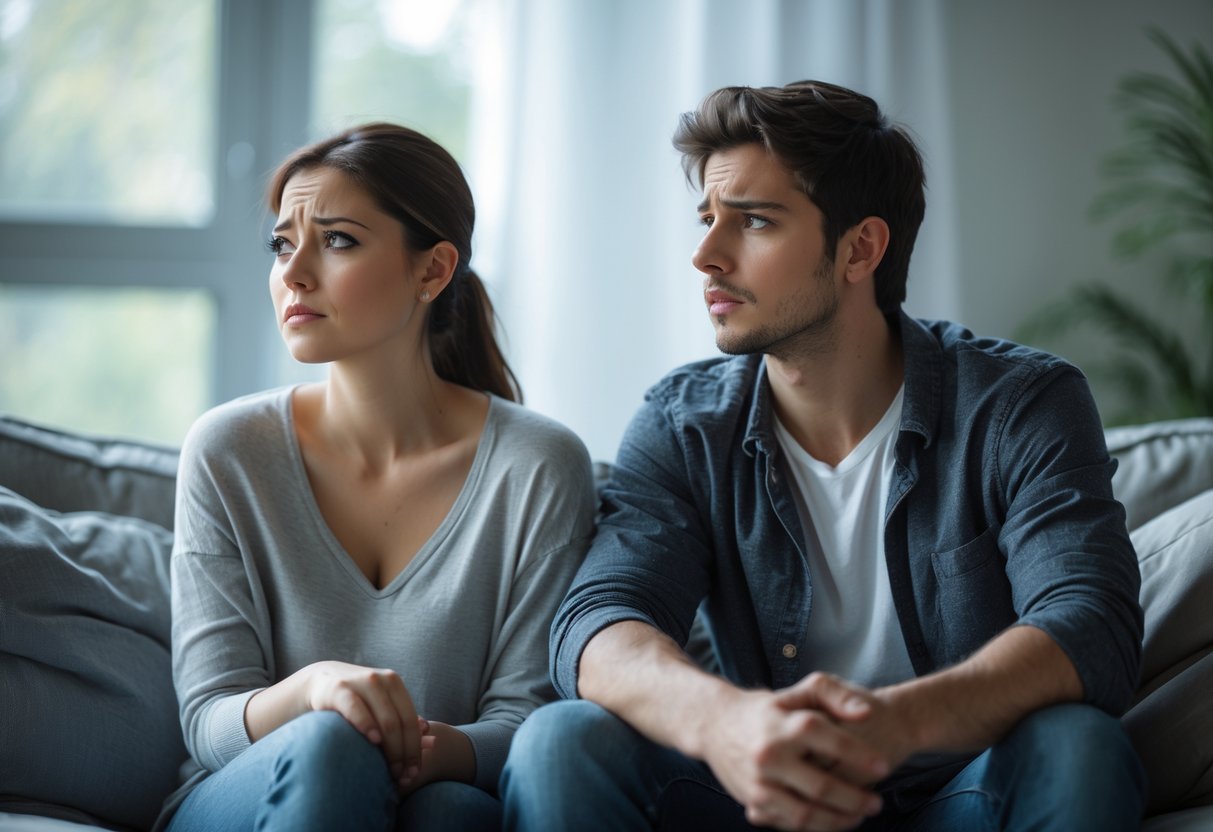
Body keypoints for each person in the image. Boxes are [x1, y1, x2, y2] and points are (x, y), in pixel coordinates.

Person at [500, 81, 1146, 831]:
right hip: (756, 794)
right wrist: (726, 726)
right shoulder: (683, 424)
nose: (704, 255)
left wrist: (887, 726)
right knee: (559, 738)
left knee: (1078, 747)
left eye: (754, 223)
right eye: (708, 219)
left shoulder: (1019, 403)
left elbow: (1088, 624)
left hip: (956, 793)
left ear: (860, 248)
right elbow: (600, 620)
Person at [159, 123, 597, 832]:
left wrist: (415, 750)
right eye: (280, 243)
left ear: (432, 270)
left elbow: (529, 719)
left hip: (435, 795)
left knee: (453, 812)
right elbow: (208, 722)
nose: (293, 272)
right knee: (332, 743)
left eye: (336, 240)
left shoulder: (538, 466)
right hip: (244, 797)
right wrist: (318, 691)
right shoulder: (227, 450)